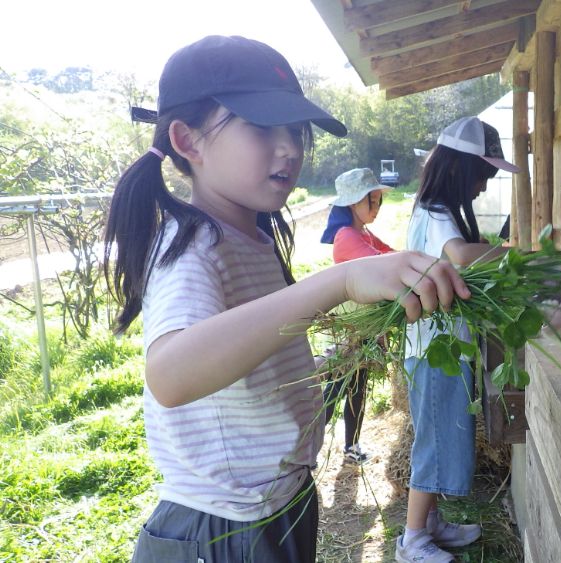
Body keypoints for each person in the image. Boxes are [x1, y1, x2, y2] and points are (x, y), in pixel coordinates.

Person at [102, 35, 470, 563]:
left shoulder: (251, 237)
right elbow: (171, 375)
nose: (291, 148)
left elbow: (259, 351)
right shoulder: (193, 247)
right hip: (223, 528)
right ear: (188, 141)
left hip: (278, 504)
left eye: (295, 130)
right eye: (260, 127)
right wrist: (335, 284)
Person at [396, 116, 519, 562]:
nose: (485, 184)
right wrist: (517, 254)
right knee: (435, 441)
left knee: (444, 435)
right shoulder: (435, 213)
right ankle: (413, 542)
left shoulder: (436, 211)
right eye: (483, 173)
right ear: (459, 168)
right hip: (436, 350)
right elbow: (463, 257)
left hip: (443, 347)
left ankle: (430, 523)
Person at [317, 167, 396, 465]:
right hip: (351, 328)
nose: (376, 208)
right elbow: (383, 263)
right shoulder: (346, 236)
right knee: (336, 389)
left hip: (364, 328)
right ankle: (306, 449)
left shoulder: (362, 232)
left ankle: (351, 446)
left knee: (356, 387)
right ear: (352, 203)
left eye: (378, 201)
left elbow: (391, 253)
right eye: (370, 201)